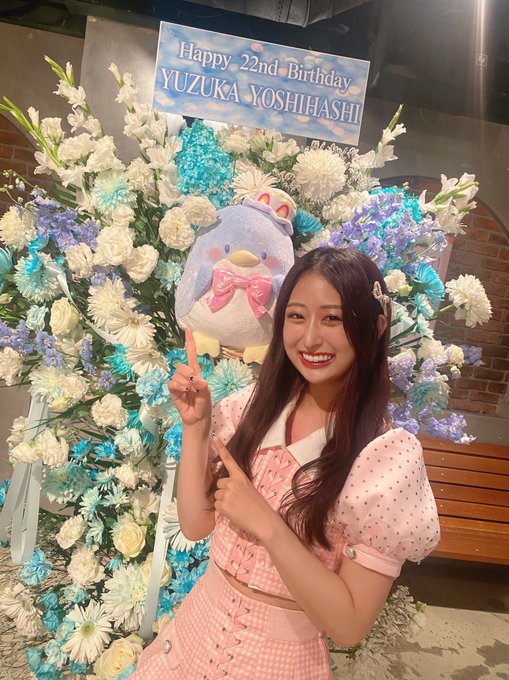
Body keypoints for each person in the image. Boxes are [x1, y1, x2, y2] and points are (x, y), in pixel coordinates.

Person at [131, 247, 440, 679]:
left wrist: (268, 524)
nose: (310, 339)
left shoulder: (382, 459)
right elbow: (196, 525)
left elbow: (349, 626)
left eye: (332, 318)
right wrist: (196, 427)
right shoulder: (251, 409)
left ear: (375, 326)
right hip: (188, 640)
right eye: (296, 316)